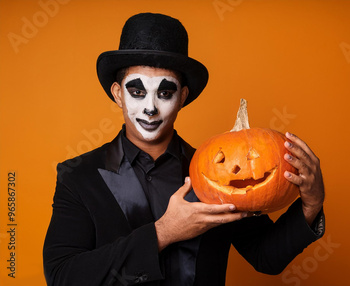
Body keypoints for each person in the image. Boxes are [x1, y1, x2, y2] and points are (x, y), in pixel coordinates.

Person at [43, 13, 325, 286]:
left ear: (183, 97)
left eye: (165, 93)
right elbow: (63, 276)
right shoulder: (79, 176)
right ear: (118, 94)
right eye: (137, 91)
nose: (150, 107)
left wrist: (310, 206)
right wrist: (163, 233)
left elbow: (266, 258)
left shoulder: (219, 175)